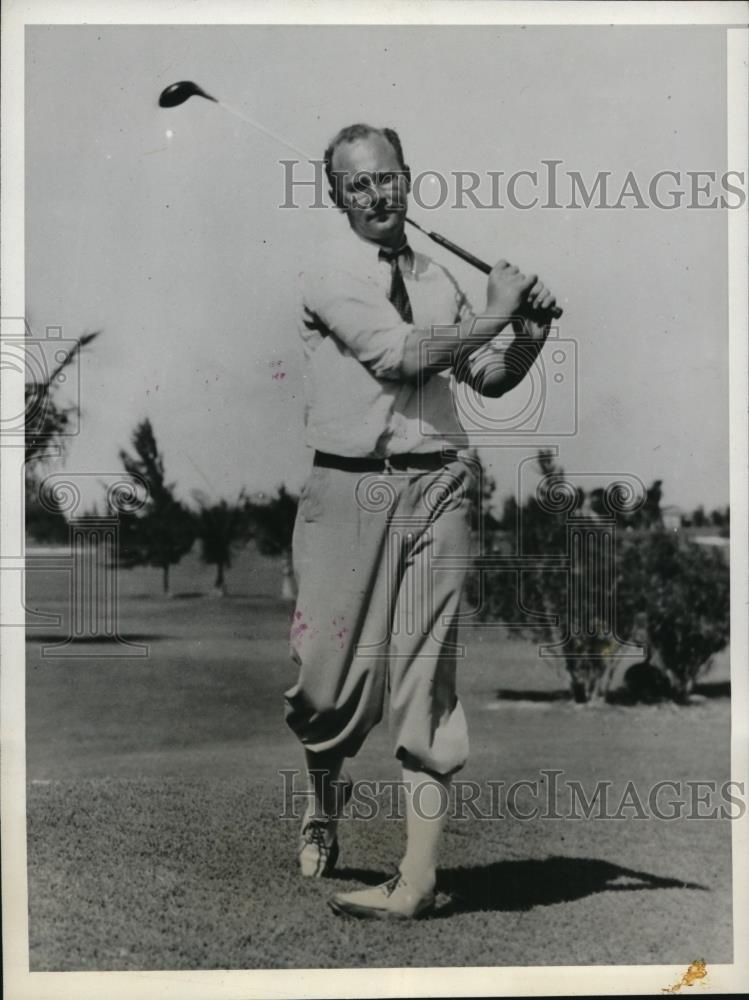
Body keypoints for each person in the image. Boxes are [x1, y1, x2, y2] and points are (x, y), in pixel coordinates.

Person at [284, 123, 558, 919]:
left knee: (424, 676)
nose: (376, 195)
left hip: (440, 481)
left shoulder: (438, 277)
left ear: (408, 180)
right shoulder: (325, 276)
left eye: (387, 179)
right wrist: (498, 308)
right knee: (324, 692)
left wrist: (526, 334)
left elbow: (484, 374)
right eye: (357, 184)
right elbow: (400, 355)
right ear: (336, 197)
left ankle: (417, 878)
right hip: (346, 492)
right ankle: (321, 799)